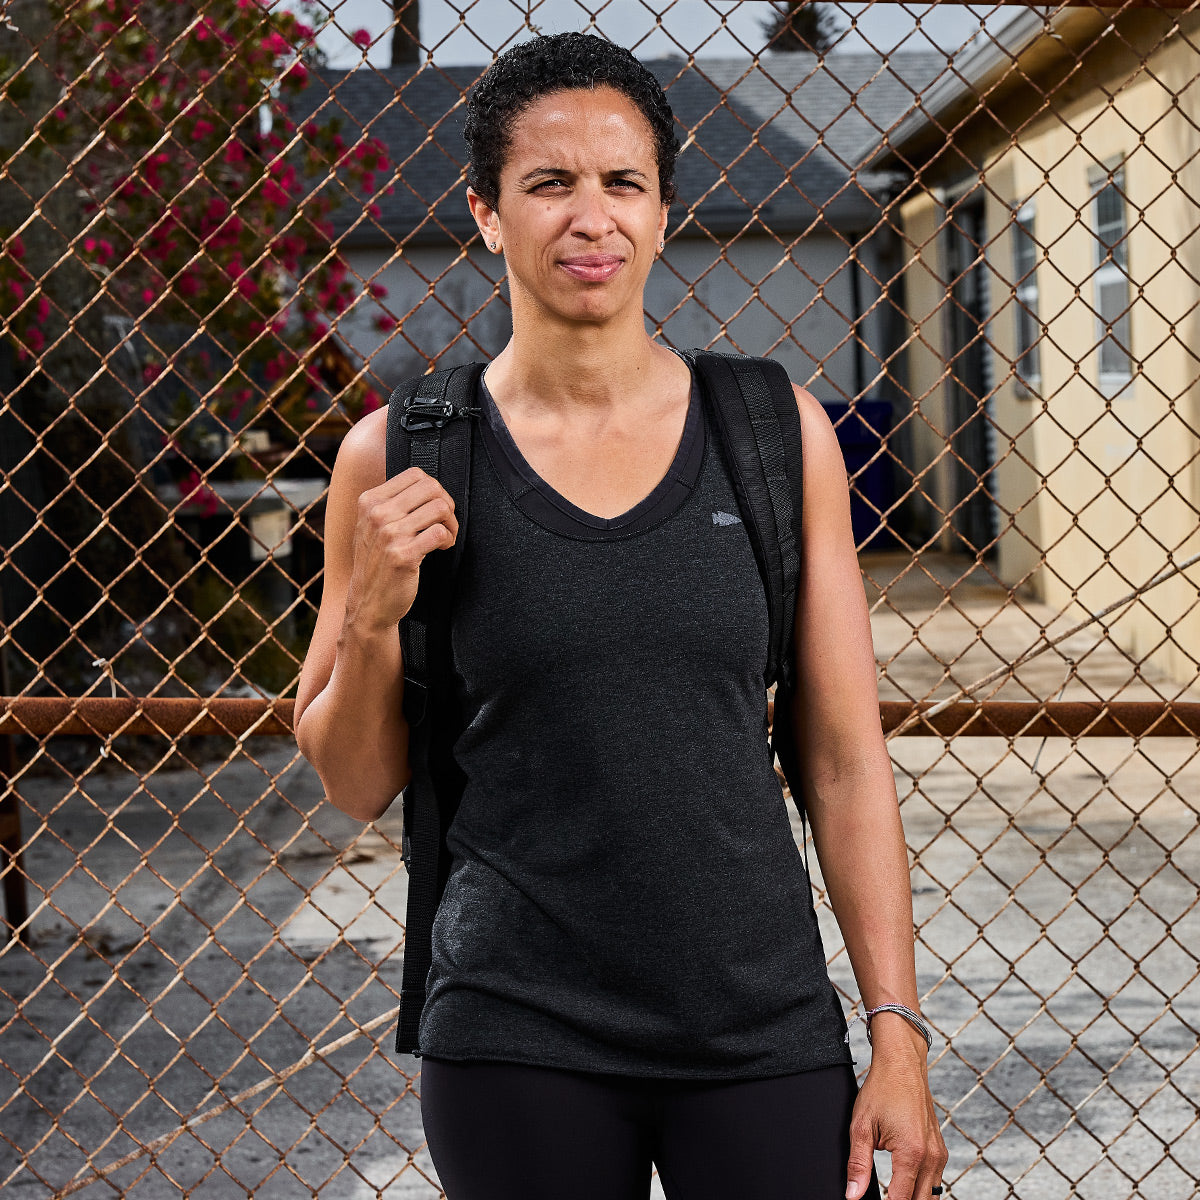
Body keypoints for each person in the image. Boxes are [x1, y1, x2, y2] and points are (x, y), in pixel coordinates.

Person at [294, 31, 947, 1200]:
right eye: (549, 183)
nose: (589, 216)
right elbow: (352, 782)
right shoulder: (398, 455)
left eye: (622, 183)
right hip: (515, 1029)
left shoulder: (769, 431)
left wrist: (895, 1028)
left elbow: (846, 762)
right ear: (488, 213)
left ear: (660, 212)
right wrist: (375, 618)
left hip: (758, 1022)